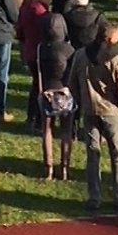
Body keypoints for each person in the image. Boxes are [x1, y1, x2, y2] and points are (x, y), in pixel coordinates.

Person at [69, 21, 118, 212]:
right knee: (117, 153)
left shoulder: (81, 55)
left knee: (92, 153)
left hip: (90, 109)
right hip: (113, 112)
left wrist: (80, 102)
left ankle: (94, 197)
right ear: (110, 38)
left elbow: (72, 82)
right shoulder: (117, 61)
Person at [34, 12, 74, 179]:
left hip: (47, 93)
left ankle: (48, 167)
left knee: (47, 131)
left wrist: (40, 91)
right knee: (66, 131)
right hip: (65, 92)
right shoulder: (70, 49)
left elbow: (39, 72)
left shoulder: (41, 48)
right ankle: (64, 167)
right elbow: (71, 74)